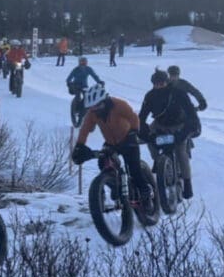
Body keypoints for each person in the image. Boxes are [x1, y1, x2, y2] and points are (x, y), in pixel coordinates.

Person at [71, 84, 153, 210]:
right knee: (103, 164)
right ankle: (116, 186)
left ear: (104, 100)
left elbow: (134, 118)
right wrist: (79, 146)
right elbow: (85, 130)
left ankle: (146, 193)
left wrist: (134, 132)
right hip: (111, 143)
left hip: (128, 138)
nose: (95, 109)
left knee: (134, 169)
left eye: (97, 105)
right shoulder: (92, 113)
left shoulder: (119, 104)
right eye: (92, 107)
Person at [138, 69, 199, 199]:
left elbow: (191, 114)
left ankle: (187, 183)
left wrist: (187, 131)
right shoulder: (150, 96)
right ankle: (158, 162)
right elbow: (142, 116)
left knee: (181, 152)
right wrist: (145, 132)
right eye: (156, 84)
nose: (158, 86)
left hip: (179, 124)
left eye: (161, 84)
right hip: (160, 124)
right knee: (151, 143)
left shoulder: (178, 93)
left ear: (166, 82)